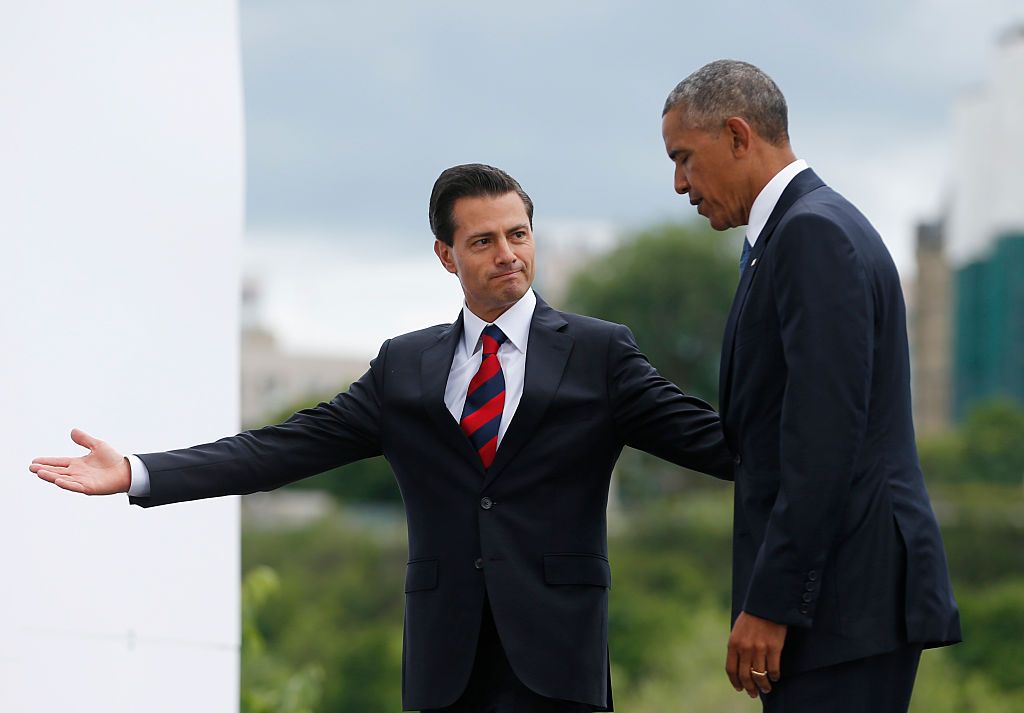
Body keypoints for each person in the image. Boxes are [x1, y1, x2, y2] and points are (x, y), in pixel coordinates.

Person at [31, 163, 734, 713]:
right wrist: (138, 469)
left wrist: (828, 436)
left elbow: (715, 442)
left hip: (557, 662)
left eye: (519, 234)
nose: (508, 255)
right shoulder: (406, 365)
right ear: (445, 253)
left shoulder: (599, 352)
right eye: (483, 240)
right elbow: (283, 447)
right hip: (443, 664)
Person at [660, 60, 961, 712]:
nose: (679, 183)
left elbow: (824, 437)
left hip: (843, 604)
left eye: (685, 157)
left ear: (739, 135)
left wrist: (773, 601)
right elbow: (760, 429)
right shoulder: (783, 236)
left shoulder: (811, 234)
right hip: (838, 604)